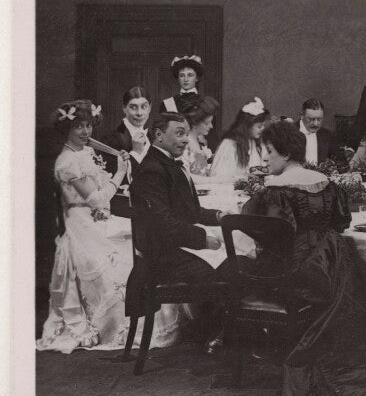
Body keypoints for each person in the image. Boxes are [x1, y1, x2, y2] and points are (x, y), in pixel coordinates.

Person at [240, 121, 366, 396]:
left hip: (299, 267)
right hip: (338, 261)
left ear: (285, 154)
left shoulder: (275, 189)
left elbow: (264, 230)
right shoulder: (326, 183)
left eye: (269, 151)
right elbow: (341, 222)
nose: (265, 158)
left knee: (240, 269)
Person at [37, 101, 185, 353]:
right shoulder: (67, 161)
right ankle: (125, 327)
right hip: (81, 225)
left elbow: (99, 196)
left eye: (88, 125)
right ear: (66, 129)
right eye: (78, 126)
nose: (85, 131)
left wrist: (110, 198)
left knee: (143, 241)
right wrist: (120, 172)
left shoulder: (85, 152)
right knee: (126, 260)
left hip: (96, 218)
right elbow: (96, 198)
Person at [126, 112, 229, 353]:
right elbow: (162, 224)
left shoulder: (168, 164)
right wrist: (203, 239)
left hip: (172, 247)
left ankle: (216, 329)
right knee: (225, 271)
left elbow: (189, 211)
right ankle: (218, 333)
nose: (185, 140)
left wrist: (218, 216)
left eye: (186, 134)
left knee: (230, 260)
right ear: (159, 135)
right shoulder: (152, 170)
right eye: (179, 133)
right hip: (160, 257)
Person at [99, 86, 152, 216]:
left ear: (150, 108)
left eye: (144, 107)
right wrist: (135, 153)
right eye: (133, 107)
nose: (139, 113)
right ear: (124, 108)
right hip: (125, 209)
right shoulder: (110, 139)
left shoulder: (153, 137)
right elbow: (111, 184)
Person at [209, 97, 270, 180]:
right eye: (259, 126)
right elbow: (220, 175)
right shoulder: (230, 144)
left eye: (263, 125)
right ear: (247, 125)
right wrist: (246, 177)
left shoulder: (258, 143)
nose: (263, 128)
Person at [296, 98, 347, 168]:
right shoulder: (289, 133)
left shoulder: (328, 135)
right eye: (311, 119)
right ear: (302, 115)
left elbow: (342, 164)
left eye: (319, 119)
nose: (316, 124)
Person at [180, 96, 220, 175]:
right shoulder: (186, 144)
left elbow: (201, 171)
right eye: (206, 123)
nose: (211, 126)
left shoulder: (199, 140)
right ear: (194, 123)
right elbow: (188, 176)